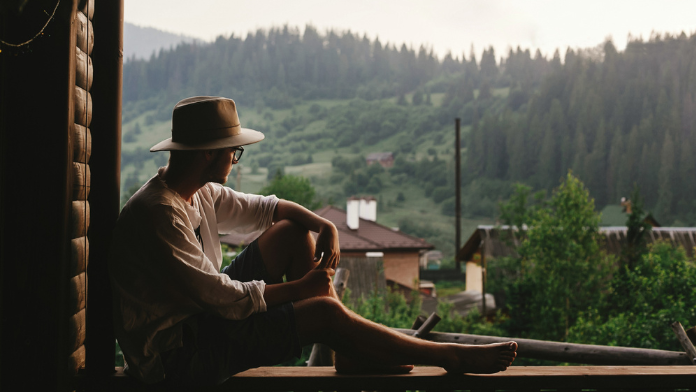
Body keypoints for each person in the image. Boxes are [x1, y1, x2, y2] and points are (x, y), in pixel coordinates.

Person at [109, 96, 517, 388]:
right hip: (176, 356)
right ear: (208, 155)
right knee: (319, 310)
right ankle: (449, 356)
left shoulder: (196, 190)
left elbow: (271, 210)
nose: (235, 159)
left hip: (200, 319)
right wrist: (302, 290)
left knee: (292, 232)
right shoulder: (159, 213)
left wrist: (324, 225)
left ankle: (347, 349)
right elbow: (221, 297)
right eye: (234, 152)